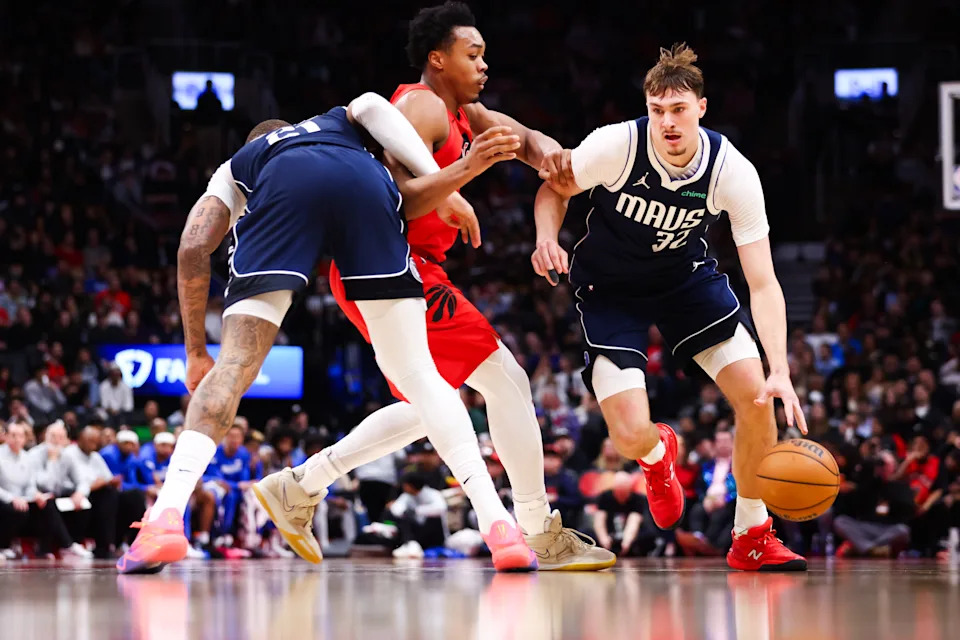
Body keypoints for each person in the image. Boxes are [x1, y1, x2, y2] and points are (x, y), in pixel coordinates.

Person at [118, 89, 530, 574]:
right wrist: (447, 186)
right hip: (361, 182)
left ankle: (165, 517)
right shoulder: (333, 120)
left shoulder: (242, 162)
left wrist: (194, 352)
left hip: (283, 193)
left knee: (231, 371)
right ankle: (498, 525)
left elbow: (192, 247)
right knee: (421, 375)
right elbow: (376, 105)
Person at [288, 0, 614, 572]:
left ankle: (300, 484)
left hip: (399, 270)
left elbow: (529, 137)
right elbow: (389, 199)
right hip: (393, 264)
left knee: (425, 409)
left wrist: (557, 162)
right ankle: (539, 528)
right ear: (438, 60)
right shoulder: (420, 106)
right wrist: (461, 177)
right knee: (507, 379)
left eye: (485, 54)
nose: (484, 64)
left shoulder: (467, 112)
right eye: (473, 54)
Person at [534, 43, 808, 571]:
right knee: (629, 433)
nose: (667, 122)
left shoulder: (734, 172)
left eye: (678, 110)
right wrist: (547, 236)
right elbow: (553, 188)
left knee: (756, 398)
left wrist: (780, 368)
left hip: (685, 281)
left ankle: (752, 533)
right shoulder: (616, 145)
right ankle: (657, 455)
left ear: (701, 108)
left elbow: (765, 282)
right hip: (611, 289)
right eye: (657, 110)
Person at [0, 422, 90, 559]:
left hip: (26, 499)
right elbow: (44, 484)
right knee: (16, 509)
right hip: (6, 499)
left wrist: (35, 495)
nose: (17, 439)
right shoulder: (31, 455)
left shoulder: (25, 457)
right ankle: (3, 546)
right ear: (5, 436)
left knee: (48, 503)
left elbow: (31, 485)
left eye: (20, 436)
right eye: (13, 435)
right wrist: (12, 498)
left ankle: (48, 549)